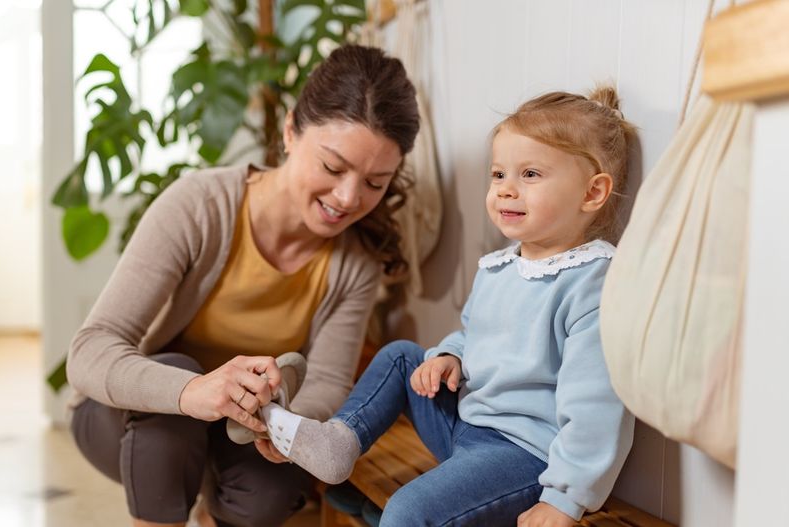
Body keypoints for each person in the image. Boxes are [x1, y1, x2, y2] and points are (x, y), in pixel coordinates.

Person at [65, 44, 420, 527]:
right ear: (291, 130)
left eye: (375, 183)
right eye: (333, 168)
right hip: (132, 421)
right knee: (173, 385)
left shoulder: (355, 261)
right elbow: (89, 349)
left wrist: (286, 416)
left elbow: (327, 382)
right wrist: (194, 390)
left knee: (274, 486)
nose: (347, 198)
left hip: (237, 433)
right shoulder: (199, 206)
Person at [257, 87, 638, 527]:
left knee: (407, 510)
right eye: (499, 174)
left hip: (524, 456)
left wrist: (564, 499)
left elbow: (596, 409)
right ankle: (339, 443)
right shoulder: (500, 267)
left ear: (592, 193)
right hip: (467, 427)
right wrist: (449, 356)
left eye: (530, 174)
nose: (506, 190)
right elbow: (474, 336)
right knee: (403, 356)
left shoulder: (591, 282)